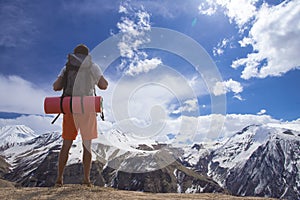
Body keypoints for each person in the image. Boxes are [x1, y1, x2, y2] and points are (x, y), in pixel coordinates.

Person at [52, 44, 108, 187]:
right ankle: (86, 179)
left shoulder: (67, 67)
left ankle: (59, 179)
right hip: (87, 107)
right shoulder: (92, 66)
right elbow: (104, 85)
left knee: (66, 144)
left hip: (70, 107)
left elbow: (56, 87)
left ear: (74, 54)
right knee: (87, 145)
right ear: (87, 55)